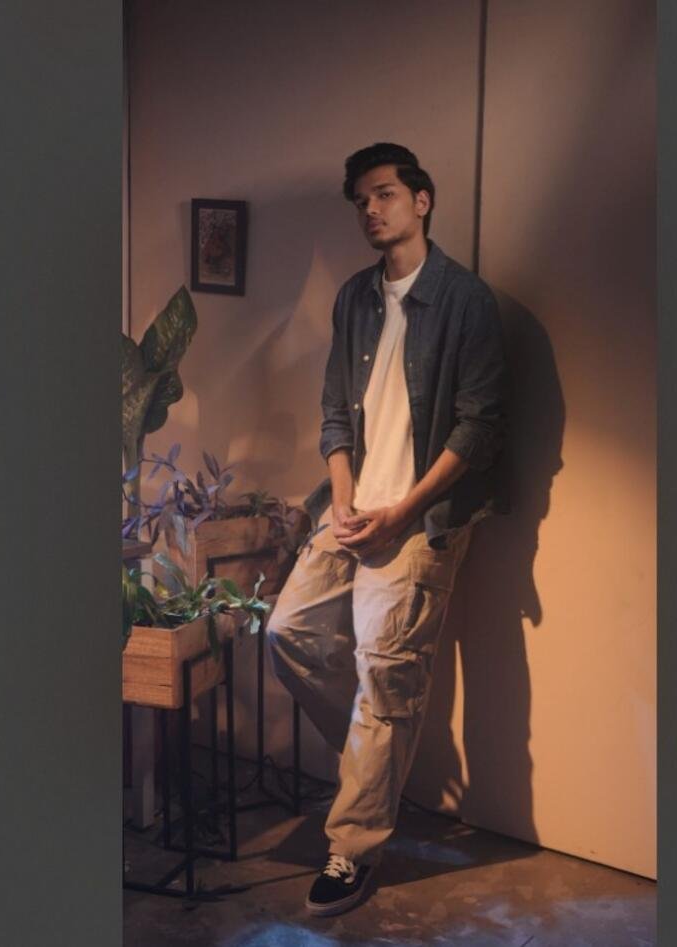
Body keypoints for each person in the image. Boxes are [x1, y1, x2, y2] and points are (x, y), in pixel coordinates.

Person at [266, 142, 508, 917]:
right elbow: (335, 413)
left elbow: (479, 429)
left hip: (421, 519)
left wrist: (398, 512)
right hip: (351, 505)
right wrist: (343, 501)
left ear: (421, 200)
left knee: (384, 673)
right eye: (361, 201)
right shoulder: (354, 298)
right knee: (288, 633)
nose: (370, 210)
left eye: (384, 194)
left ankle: (354, 846)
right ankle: (376, 759)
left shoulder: (466, 301)